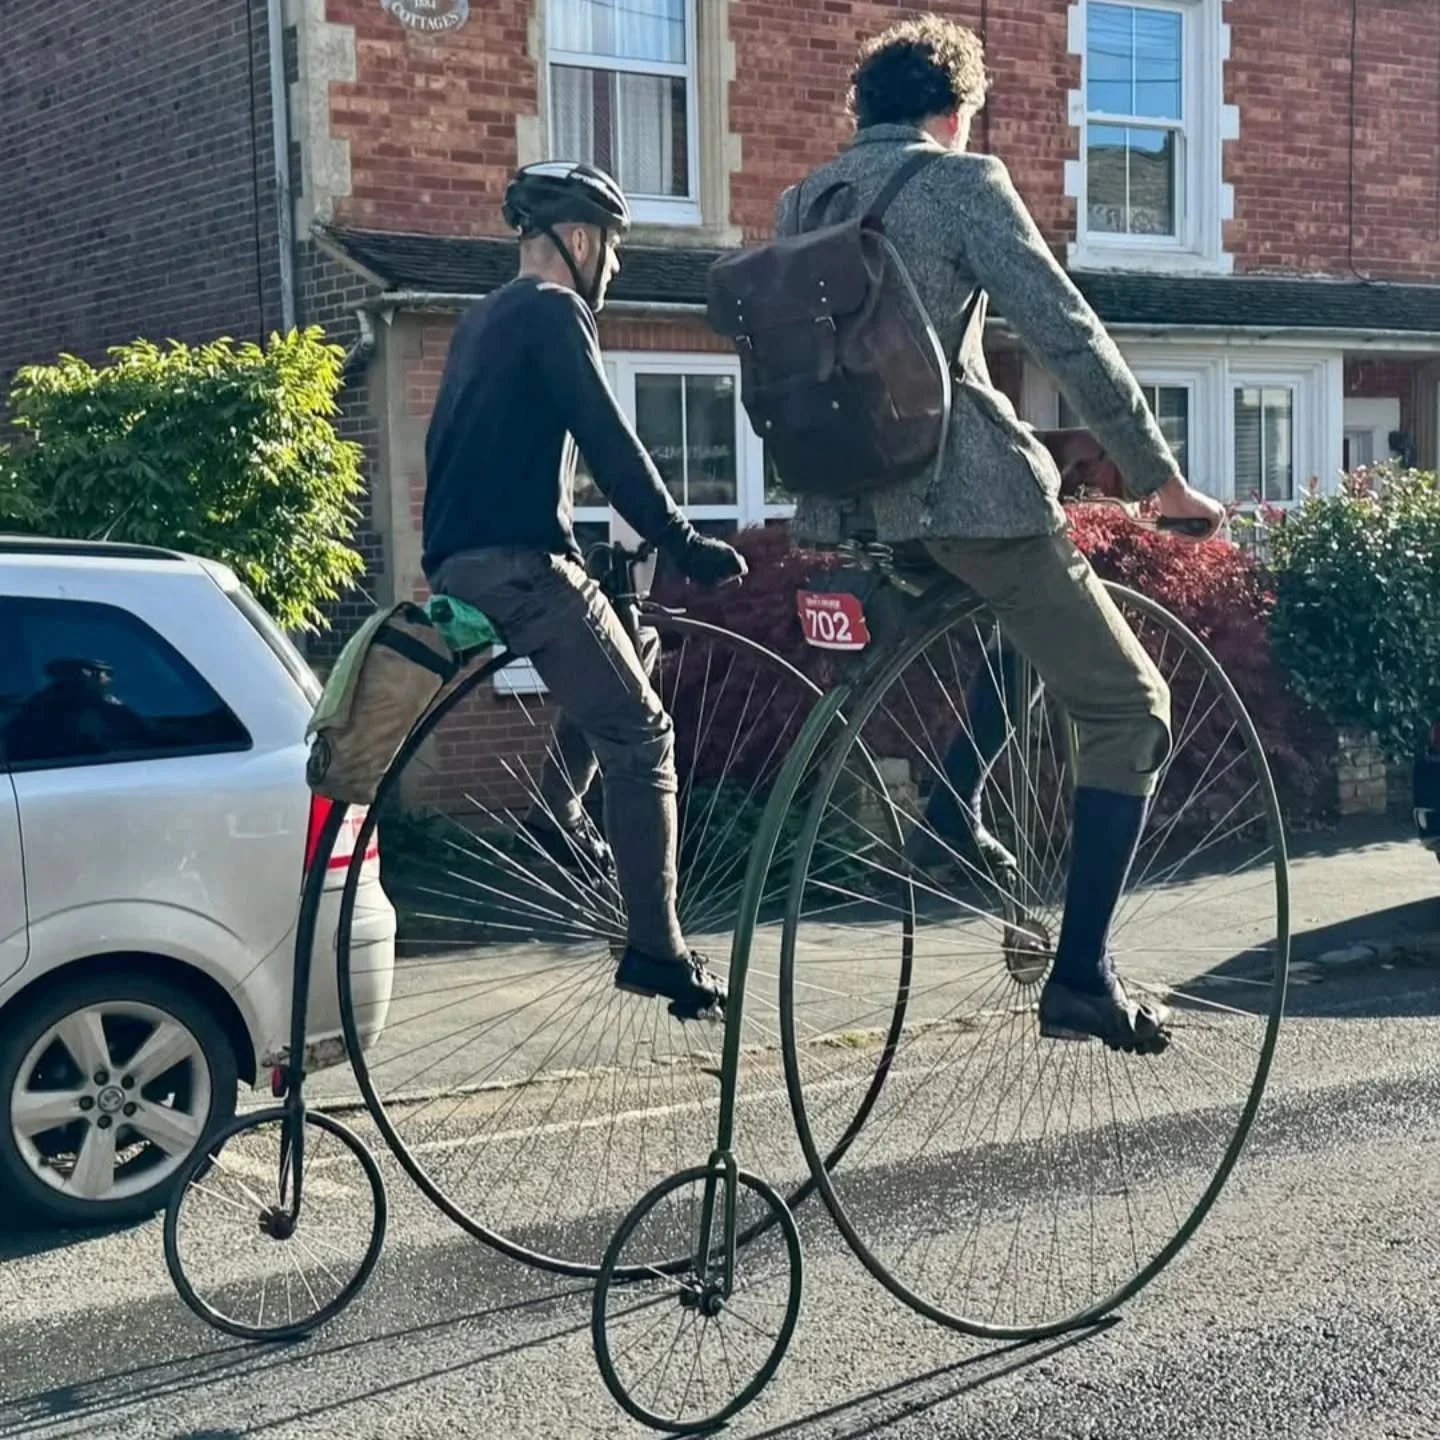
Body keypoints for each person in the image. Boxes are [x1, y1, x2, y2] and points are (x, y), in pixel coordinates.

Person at [776, 16, 1227, 1054]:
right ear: (955, 109)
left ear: (864, 111)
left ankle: (950, 800)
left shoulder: (805, 201)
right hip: (967, 498)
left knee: (1018, 615)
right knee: (1127, 704)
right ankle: (1082, 975)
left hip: (855, 511)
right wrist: (1157, 478)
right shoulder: (962, 184)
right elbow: (1065, 329)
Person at [421, 160, 746, 1021]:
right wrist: (682, 540)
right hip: (517, 566)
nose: (616, 267)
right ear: (578, 240)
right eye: (612, 246)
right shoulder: (554, 310)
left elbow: (490, 455)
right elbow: (606, 438)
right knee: (644, 734)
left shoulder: (480, 319)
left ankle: (557, 809)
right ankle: (655, 948)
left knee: (632, 641)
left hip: (461, 563)